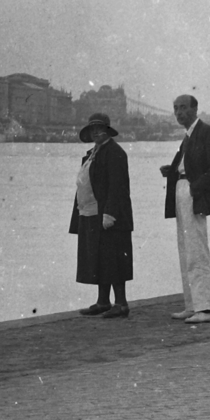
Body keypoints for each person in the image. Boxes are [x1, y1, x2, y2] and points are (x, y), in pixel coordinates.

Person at [160, 94, 210, 324]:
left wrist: (195, 188)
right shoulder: (188, 136)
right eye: (175, 108)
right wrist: (172, 170)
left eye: (183, 108)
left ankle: (205, 308)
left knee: (197, 250)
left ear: (195, 108)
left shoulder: (207, 132)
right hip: (182, 191)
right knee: (185, 250)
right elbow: (189, 164)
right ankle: (192, 305)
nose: (179, 113)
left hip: (192, 194)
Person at [70, 112, 135, 318]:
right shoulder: (92, 153)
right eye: (92, 129)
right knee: (99, 258)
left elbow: (117, 187)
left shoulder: (115, 152)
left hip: (110, 215)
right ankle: (103, 301)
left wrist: (109, 213)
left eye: (99, 128)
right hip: (90, 213)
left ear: (107, 130)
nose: (95, 132)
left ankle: (121, 303)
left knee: (114, 258)